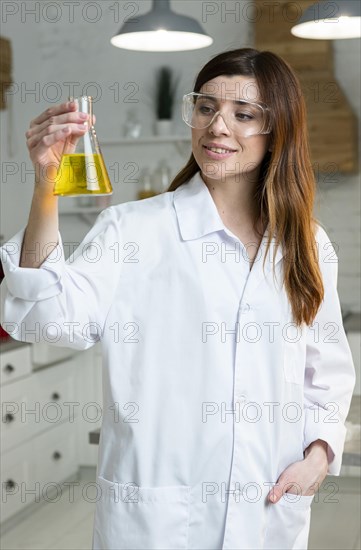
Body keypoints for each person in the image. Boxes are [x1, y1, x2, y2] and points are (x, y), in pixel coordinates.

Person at [0, 48, 356, 550]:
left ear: (278, 130)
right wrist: (45, 188)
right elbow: (43, 318)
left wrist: (318, 454)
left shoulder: (307, 243)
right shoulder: (133, 230)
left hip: (268, 510)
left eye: (243, 114)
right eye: (206, 107)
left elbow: (328, 373)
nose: (217, 126)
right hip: (157, 522)